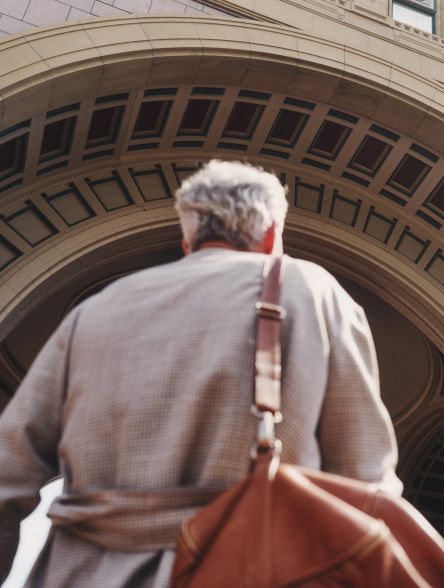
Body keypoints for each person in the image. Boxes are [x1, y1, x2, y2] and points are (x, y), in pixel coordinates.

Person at [0, 159, 402, 587]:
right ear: (271, 235)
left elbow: (8, 475)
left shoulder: (94, 312)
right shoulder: (311, 292)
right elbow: (366, 484)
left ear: (188, 241)